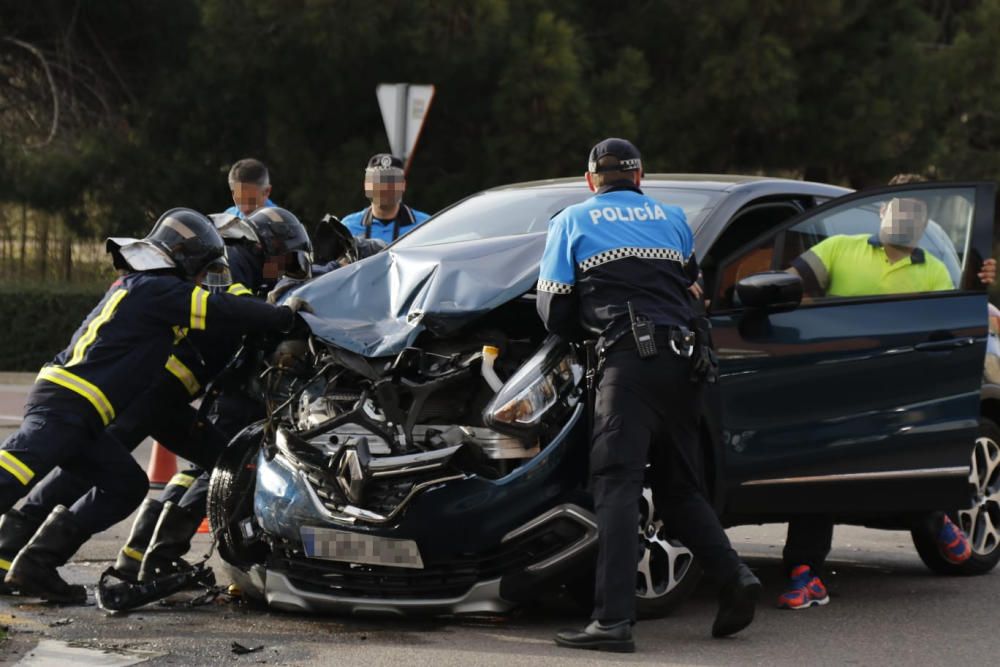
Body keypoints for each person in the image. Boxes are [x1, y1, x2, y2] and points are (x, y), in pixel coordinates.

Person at [0, 208, 310, 603]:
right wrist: (285, 318)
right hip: (70, 401)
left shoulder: (156, 286)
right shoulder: (160, 289)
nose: (207, 277)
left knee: (126, 484)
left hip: (92, 411)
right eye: (205, 270)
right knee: (17, 468)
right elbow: (224, 309)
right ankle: (18, 553)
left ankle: (37, 564)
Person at [537, 138, 760, 653]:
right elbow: (689, 287)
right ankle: (735, 577)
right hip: (684, 364)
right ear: (640, 177)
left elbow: (552, 310)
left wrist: (584, 332)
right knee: (680, 489)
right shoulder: (673, 219)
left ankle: (612, 622)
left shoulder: (572, 220)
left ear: (591, 180)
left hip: (626, 364)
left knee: (616, 485)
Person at [776, 192, 996, 610]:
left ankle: (934, 517)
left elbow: (946, 330)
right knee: (820, 473)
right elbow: (790, 285)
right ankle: (806, 574)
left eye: (917, 212)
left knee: (893, 471)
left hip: (896, 395)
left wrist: (976, 282)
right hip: (835, 387)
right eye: (900, 208)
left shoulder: (933, 271)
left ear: (925, 221)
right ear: (882, 211)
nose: (906, 218)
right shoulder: (841, 248)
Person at [341, 154, 430, 243]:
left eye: (391, 181)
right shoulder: (348, 227)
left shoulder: (425, 226)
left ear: (403, 185)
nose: (384, 187)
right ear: (366, 185)